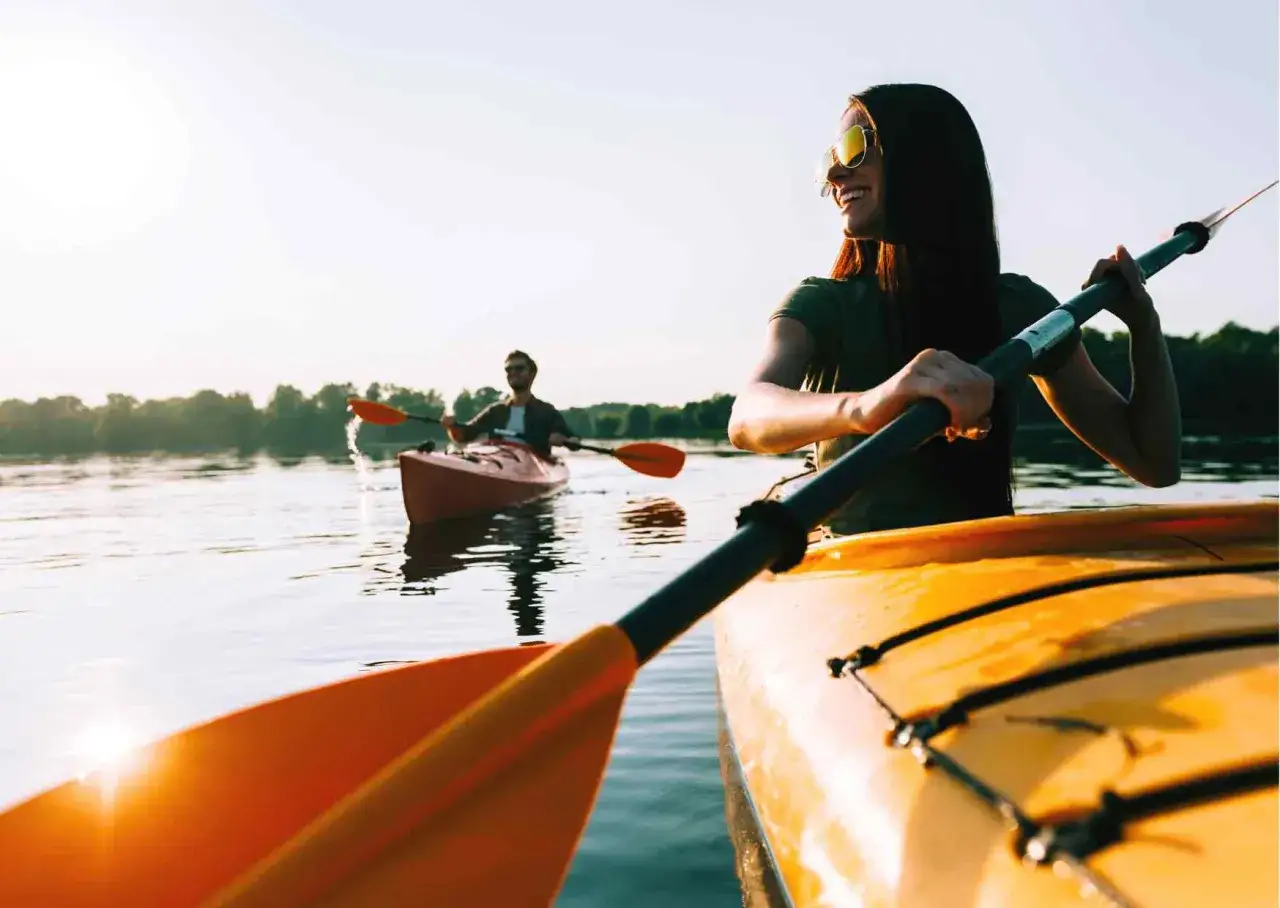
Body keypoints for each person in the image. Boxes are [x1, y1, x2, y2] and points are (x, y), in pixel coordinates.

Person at [727, 83, 1182, 536]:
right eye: (830, 160)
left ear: (924, 157)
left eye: (853, 149)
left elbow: (1154, 463)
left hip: (983, 568)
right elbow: (747, 417)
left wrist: (1144, 325)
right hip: (850, 571)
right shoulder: (822, 304)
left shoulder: (1019, 309)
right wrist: (867, 407)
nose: (836, 175)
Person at [440, 350, 580, 458]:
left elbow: (574, 440)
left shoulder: (546, 412)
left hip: (532, 464)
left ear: (532, 373)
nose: (513, 372)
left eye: (519, 368)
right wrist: (451, 426)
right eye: (509, 369)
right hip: (498, 459)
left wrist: (566, 439)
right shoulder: (495, 411)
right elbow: (464, 436)